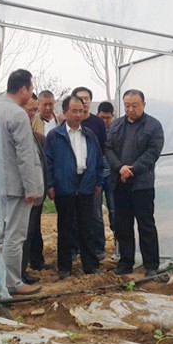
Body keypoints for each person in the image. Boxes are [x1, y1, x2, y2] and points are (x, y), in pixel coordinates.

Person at [105, 89, 164, 278]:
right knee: (123, 225)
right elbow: (108, 149)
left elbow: (153, 152)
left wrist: (131, 170)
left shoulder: (153, 126)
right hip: (120, 183)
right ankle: (126, 262)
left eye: (134, 106)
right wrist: (119, 168)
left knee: (146, 225)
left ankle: (151, 264)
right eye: (127, 106)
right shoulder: (117, 125)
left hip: (142, 185)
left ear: (143, 105)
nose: (130, 109)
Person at [45, 95, 103, 280]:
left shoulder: (89, 135)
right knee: (65, 227)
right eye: (74, 111)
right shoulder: (55, 136)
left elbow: (98, 160)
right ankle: (64, 267)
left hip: (86, 184)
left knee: (87, 227)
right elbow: (48, 162)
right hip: (64, 186)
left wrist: (98, 181)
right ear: (64, 112)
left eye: (81, 111)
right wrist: (50, 184)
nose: (78, 115)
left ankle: (90, 265)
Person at [0, 69, 44, 295]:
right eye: (31, 88)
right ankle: (13, 283)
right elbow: (25, 155)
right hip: (17, 186)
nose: (32, 93)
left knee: (1, 235)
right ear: (23, 89)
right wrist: (31, 189)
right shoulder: (17, 114)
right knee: (15, 237)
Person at [71, 86, 107, 261]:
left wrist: (97, 176)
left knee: (95, 213)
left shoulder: (97, 123)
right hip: (74, 177)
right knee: (74, 215)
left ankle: (99, 247)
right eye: (80, 99)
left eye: (86, 98)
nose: (84, 102)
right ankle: (75, 248)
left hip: (92, 174)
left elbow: (102, 149)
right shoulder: (69, 124)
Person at [20, 94, 50, 283]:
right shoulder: (16, 136)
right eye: (30, 111)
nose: (33, 115)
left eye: (34, 111)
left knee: (31, 232)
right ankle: (19, 274)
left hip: (36, 194)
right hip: (23, 195)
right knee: (21, 235)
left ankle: (27, 266)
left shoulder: (36, 137)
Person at [97, 101, 116, 248]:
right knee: (96, 213)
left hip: (112, 175)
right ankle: (99, 246)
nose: (104, 121)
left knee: (114, 209)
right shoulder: (93, 130)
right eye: (101, 117)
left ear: (112, 117)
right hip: (96, 175)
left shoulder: (116, 132)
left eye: (107, 118)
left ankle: (118, 243)